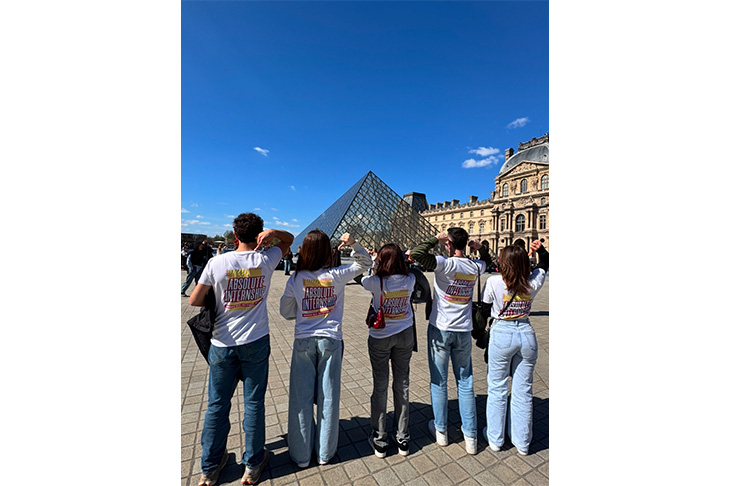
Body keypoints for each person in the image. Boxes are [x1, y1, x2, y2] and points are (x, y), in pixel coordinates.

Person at [189, 213, 294, 486]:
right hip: (256, 341)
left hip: (222, 344)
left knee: (217, 405)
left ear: (234, 236)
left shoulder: (217, 262)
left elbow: (195, 300)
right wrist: (274, 232)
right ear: (260, 235)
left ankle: (210, 468)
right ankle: (253, 464)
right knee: (254, 404)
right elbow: (290, 240)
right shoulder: (266, 260)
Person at [279, 230, 371, 468]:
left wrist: (304, 311)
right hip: (331, 339)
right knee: (328, 396)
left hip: (303, 339)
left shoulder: (296, 278)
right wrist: (353, 243)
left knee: (300, 398)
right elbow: (365, 263)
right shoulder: (336, 275)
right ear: (326, 252)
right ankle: (324, 453)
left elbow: (285, 312)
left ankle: (301, 455)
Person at [410, 227, 491, 455]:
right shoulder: (475, 266)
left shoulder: (444, 264)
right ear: (465, 244)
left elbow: (417, 253)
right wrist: (480, 248)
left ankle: (441, 431)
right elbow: (487, 261)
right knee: (465, 383)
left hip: (441, 329)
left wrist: (435, 238)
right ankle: (471, 436)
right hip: (463, 331)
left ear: (448, 244)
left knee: (439, 381)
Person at [482, 239, 548, 456]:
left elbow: (484, 310)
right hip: (526, 334)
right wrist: (541, 250)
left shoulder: (494, 282)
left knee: (497, 389)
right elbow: (545, 265)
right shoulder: (533, 283)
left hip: (502, 333)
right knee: (523, 391)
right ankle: (522, 443)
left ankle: (495, 439)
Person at [360, 244, 416, 458]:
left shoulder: (376, 282)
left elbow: (361, 276)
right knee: (402, 385)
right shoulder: (410, 279)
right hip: (405, 334)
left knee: (380, 386)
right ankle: (402, 438)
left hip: (380, 337)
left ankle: (380, 439)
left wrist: (373, 263)